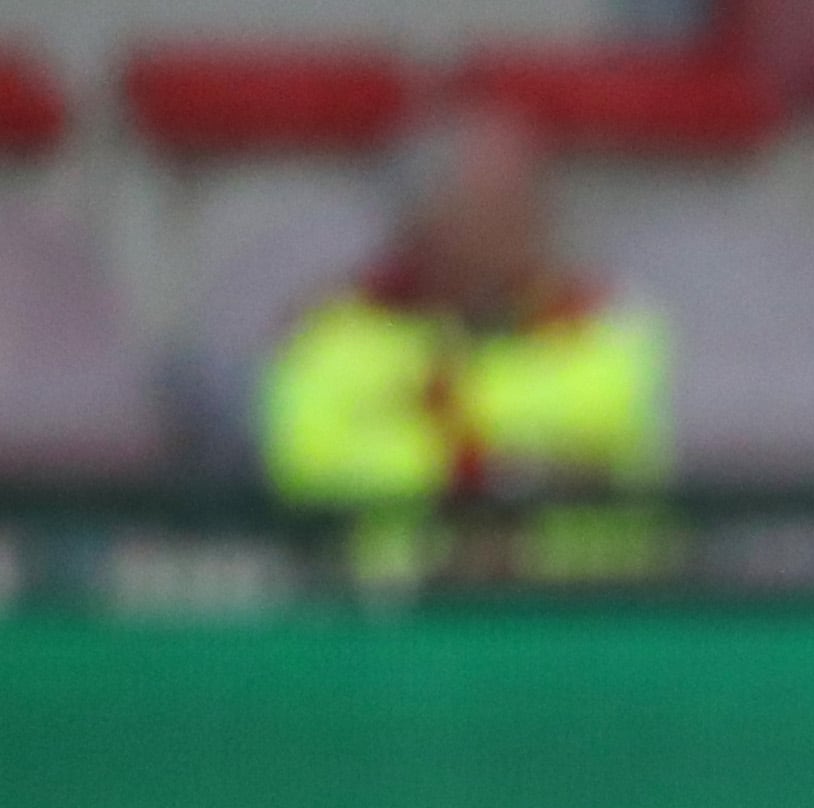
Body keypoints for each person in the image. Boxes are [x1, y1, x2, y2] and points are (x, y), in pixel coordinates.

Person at [264, 102, 665, 551]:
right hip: (380, 612)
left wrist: (426, 433)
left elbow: (620, 468)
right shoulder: (332, 333)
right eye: (491, 214)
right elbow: (313, 475)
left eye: (524, 210)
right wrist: (491, 467)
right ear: (426, 224)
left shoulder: (602, 323)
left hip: (569, 610)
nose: (521, 235)